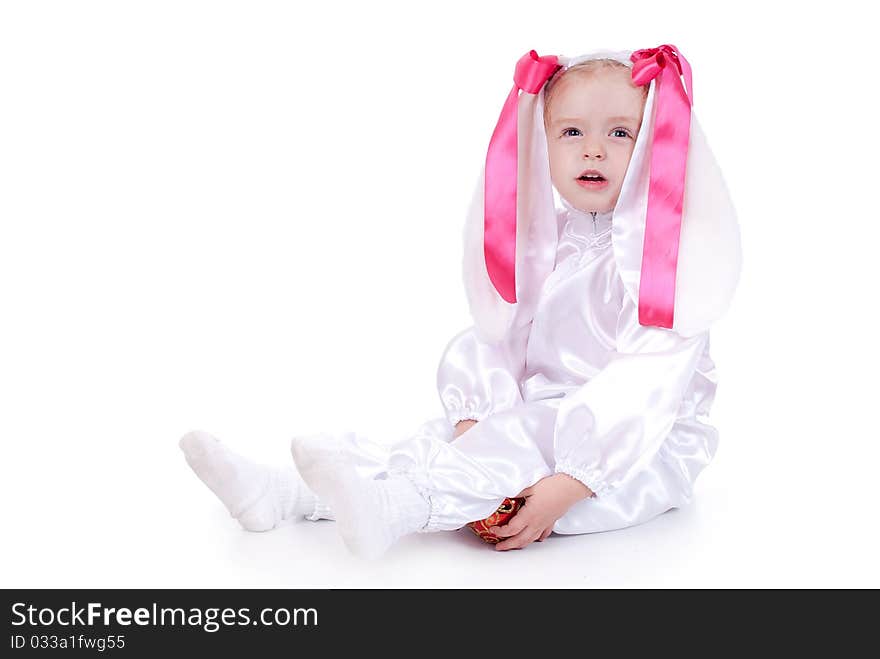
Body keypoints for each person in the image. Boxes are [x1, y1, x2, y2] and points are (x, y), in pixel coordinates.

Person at [179, 45, 741, 559]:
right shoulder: (550, 239)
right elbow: (498, 332)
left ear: (656, 146)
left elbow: (643, 391)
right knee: (440, 440)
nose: (593, 148)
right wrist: (478, 410)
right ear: (543, 146)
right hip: (544, 413)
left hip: (633, 449)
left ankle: (397, 509)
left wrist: (568, 481)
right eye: (572, 132)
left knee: (509, 447)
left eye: (621, 134)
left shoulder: (665, 264)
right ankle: (283, 493)